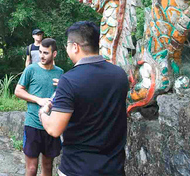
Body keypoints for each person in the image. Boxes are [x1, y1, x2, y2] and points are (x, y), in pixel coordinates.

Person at [39, 21, 129, 176]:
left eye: (67, 45)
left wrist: (43, 113)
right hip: (113, 168)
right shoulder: (120, 75)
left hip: (77, 168)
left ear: (75, 47)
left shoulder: (69, 80)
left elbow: (54, 129)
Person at [14, 38, 63, 176]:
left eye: (46, 53)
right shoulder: (31, 69)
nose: (41, 55)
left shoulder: (60, 73)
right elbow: (18, 91)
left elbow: (63, 98)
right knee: (31, 169)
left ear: (54, 54)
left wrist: (62, 88)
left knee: (47, 167)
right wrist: (38, 100)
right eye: (40, 52)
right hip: (33, 124)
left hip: (51, 126)